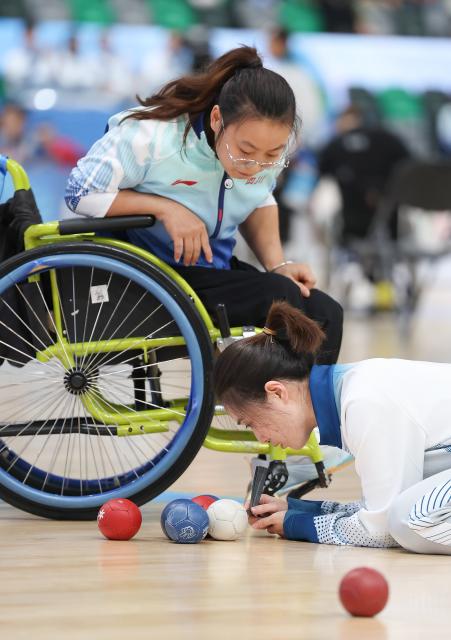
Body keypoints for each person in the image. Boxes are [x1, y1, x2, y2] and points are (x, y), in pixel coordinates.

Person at [64, 45, 343, 365]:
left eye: (271, 155)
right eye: (245, 150)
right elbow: (79, 191)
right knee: (281, 299)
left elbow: (258, 198)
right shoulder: (151, 137)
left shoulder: (261, 158)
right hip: (154, 276)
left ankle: (308, 410)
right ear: (216, 119)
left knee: (326, 313)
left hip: (212, 273)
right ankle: (270, 403)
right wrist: (167, 208)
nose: (255, 166)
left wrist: (278, 265)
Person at [213, 300, 451, 554]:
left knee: (408, 521)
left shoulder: (364, 402)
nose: (261, 437)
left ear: (276, 392)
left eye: (251, 422)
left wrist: (298, 524)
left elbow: (381, 530)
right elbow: (381, 508)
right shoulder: (352, 392)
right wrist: (301, 510)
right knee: (405, 513)